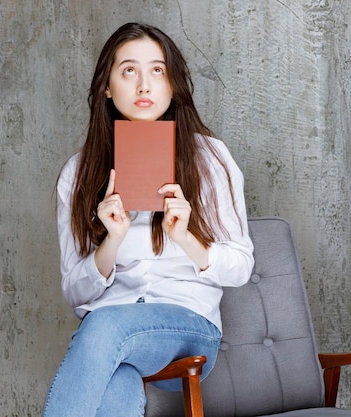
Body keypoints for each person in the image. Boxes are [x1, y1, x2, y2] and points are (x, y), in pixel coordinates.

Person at [43, 22, 254, 417]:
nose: (144, 85)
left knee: (103, 328)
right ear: (107, 86)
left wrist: (187, 236)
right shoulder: (79, 172)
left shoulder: (210, 158)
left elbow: (241, 267)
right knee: (116, 385)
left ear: (172, 84)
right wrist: (112, 240)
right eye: (128, 71)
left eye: (157, 71)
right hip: (111, 335)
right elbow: (75, 291)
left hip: (188, 328)